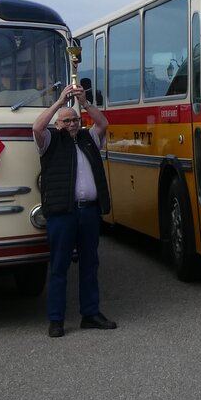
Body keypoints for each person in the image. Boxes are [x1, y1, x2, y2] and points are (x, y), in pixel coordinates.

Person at [33, 83, 117, 336]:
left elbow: (103, 124)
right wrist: (60, 102)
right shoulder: (50, 142)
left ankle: (90, 314)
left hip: (88, 211)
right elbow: (37, 127)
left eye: (75, 120)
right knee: (59, 266)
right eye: (66, 121)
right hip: (62, 213)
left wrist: (85, 103)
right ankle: (56, 319)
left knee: (90, 264)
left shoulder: (88, 139)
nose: (71, 124)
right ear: (58, 125)